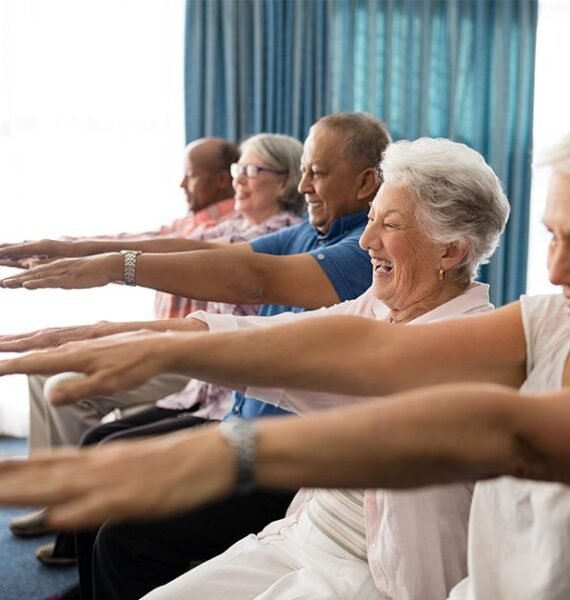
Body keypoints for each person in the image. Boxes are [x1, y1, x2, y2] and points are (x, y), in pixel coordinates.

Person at [0, 133, 567, 600]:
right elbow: (268, 331)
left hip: (378, 573)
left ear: (451, 251)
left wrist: (226, 448)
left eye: (387, 225)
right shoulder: (378, 301)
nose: (366, 237)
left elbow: (281, 303)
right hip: (302, 532)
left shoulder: (486, 341)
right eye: (552, 238)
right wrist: (129, 329)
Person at [0, 113, 390, 597]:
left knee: (123, 530)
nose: (305, 185)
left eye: (318, 173)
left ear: (366, 181)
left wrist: (111, 289)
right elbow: (199, 249)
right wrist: (81, 252)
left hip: (285, 455)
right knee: (106, 473)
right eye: (305, 170)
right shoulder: (315, 234)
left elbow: (253, 280)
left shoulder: (360, 253)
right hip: (238, 424)